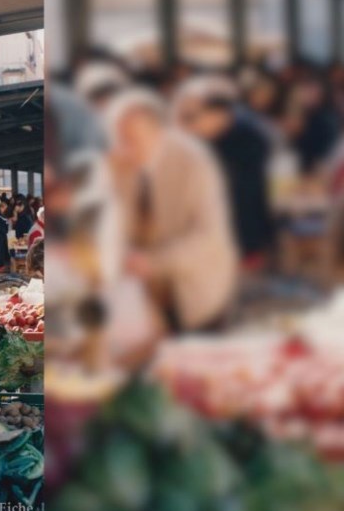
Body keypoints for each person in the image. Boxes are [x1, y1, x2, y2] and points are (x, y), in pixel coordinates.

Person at [106, 88, 238, 333]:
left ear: (158, 132)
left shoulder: (194, 161)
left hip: (195, 292)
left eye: (132, 140)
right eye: (119, 139)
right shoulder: (119, 164)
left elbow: (209, 237)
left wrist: (153, 262)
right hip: (143, 302)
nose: (125, 149)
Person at [174, 76, 273, 262]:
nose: (189, 125)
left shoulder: (248, 138)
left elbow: (237, 195)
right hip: (213, 239)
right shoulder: (208, 138)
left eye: (192, 117)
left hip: (240, 240)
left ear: (217, 113)